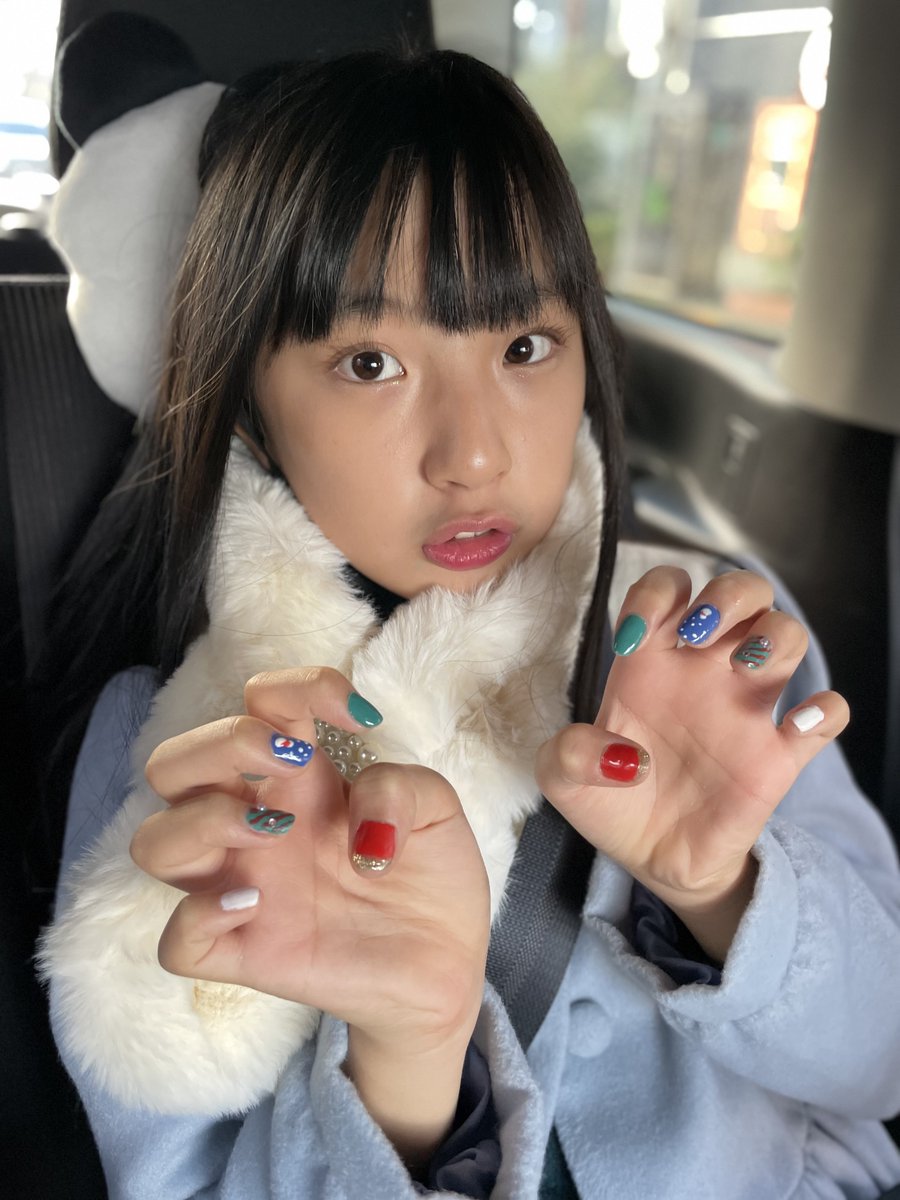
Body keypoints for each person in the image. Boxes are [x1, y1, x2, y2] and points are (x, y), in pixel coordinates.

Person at [39, 43, 900, 1200]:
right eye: (371, 361)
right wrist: (411, 1059)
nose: (476, 454)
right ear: (245, 401)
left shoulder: (707, 639)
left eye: (525, 347)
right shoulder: (169, 742)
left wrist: (722, 890)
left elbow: (882, 1064)